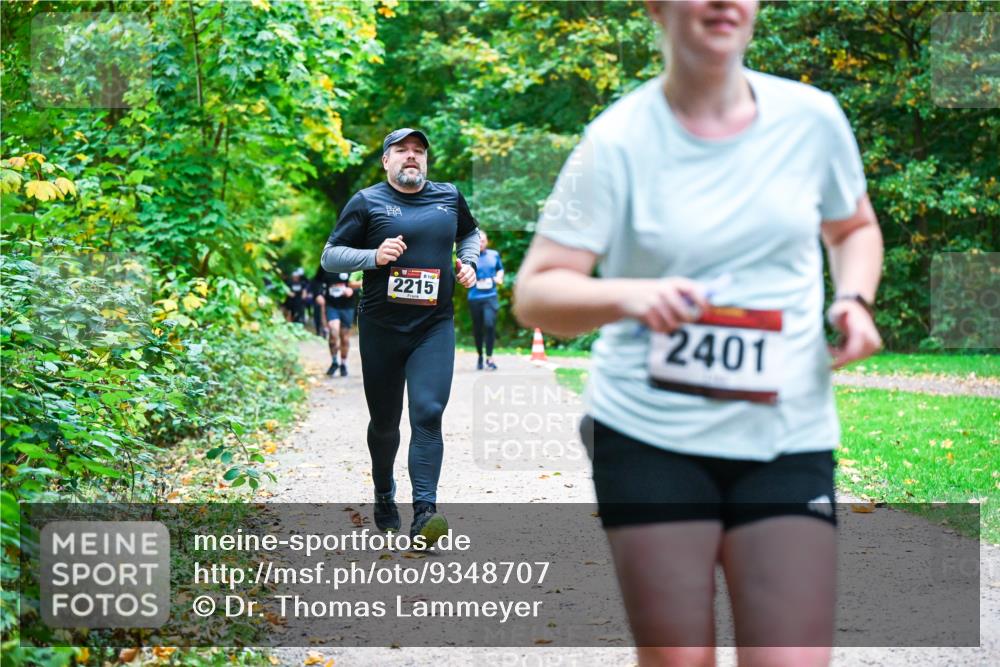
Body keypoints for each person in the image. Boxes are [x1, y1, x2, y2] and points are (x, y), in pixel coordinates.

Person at [514, 1, 883, 664]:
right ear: (656, 7)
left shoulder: (812, 119)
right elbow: (536, 290)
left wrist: (853, 299)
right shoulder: (617, 140)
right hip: (650, 432)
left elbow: (852, 227)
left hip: (786, 430)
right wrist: (633, 294)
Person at [321, 128, 479, 541]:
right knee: (386, 422)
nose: (412, 157)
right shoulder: (367, 201)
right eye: (402, 151)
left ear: (426, 160)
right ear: (386, 161)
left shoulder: (448, 196)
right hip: (381, 328)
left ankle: (425, 511)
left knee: (428, 412)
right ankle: (384, 491)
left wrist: (467, 261)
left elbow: (470, 233)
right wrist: (373, 256)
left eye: (419, 151)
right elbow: (330, 256)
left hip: (434, 326)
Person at [314, 265, 362, 376]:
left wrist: (352, 290)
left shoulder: (352, 264)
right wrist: (318, 294)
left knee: (344, 338)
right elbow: (316, 281)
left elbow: (362, 281)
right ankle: (335, 361)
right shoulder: (326, 263)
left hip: (347, 306)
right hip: (331, 305)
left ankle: (343, 364)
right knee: (333, 332)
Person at [467, 230, 504, 370]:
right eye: (478, 241)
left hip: (490, 296)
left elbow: (500, 269)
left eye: (483, 240)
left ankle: (489, 357)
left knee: (489, 325)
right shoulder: (470, 256)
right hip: (475, 297)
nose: (481, 243)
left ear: (487, 241)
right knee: (477, 329)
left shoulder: (494, 255)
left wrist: (499, 277)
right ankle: (480, 355)